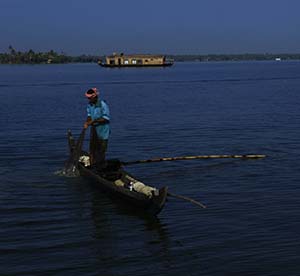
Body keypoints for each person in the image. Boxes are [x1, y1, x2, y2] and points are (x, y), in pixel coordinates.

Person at [84, 88, 110, 171]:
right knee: (92, 149)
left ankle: (100, 168)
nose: (88, 99)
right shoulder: (89, 105)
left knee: (101, 151)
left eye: (90, 98)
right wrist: (87, 122)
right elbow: (89, 115)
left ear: (95, 97)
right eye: (88, 98)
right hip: (94, 130)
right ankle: (93, 166)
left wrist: (94, 121)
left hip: (103, 131)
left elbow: (106, 118)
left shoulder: (102, 105)